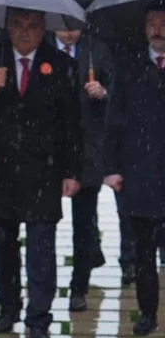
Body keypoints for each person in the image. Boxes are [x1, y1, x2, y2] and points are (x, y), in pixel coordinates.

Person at [0, 9, 81, 338]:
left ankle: (39, 319)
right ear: (7, 28)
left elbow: (72, 123)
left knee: (41, 249)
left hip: (43, 171)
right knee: (2, 246)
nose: (24, 32)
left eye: (32, 26)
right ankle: (9, 306)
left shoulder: (61, 65)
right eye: (17, 25)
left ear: (44, 29)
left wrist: (72, 171)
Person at [103, 6, 165, 336]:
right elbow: (113, 121)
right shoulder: (129, 67)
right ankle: (147, 311)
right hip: (140, 170)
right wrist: (111, 168)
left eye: (163, 24)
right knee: (143, 250)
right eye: (151, 24)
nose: (157, 30)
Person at [54, 27, 113, 313]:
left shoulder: (96, 50)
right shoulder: (43, 50)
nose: (68, 34)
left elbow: (118, 90)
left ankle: (79, 287)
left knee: (85, 222)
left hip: (88, 147)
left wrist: (104, 93)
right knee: (43, 225)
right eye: (63, 28)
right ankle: (41, 289)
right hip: (51, 148)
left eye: (73, 27)